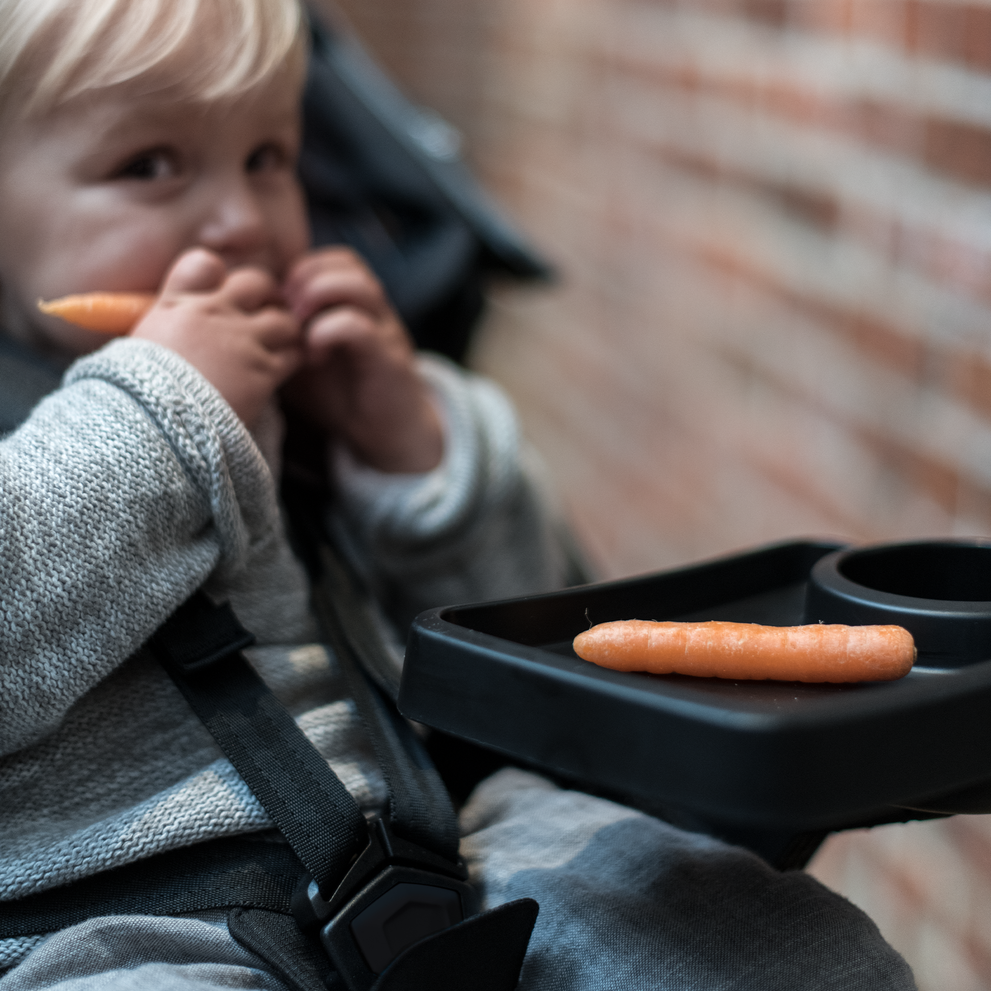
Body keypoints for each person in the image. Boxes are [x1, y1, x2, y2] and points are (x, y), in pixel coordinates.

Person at [0, 0, 918, 987]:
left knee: (788, 949)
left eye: (268, 157)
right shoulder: (171, 403)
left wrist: (409, 452)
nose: (242, 222)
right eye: (150, 165)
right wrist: (166, 407)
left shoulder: (305, 397)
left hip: (447, 842)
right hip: (110, 923)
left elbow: (526, 626)